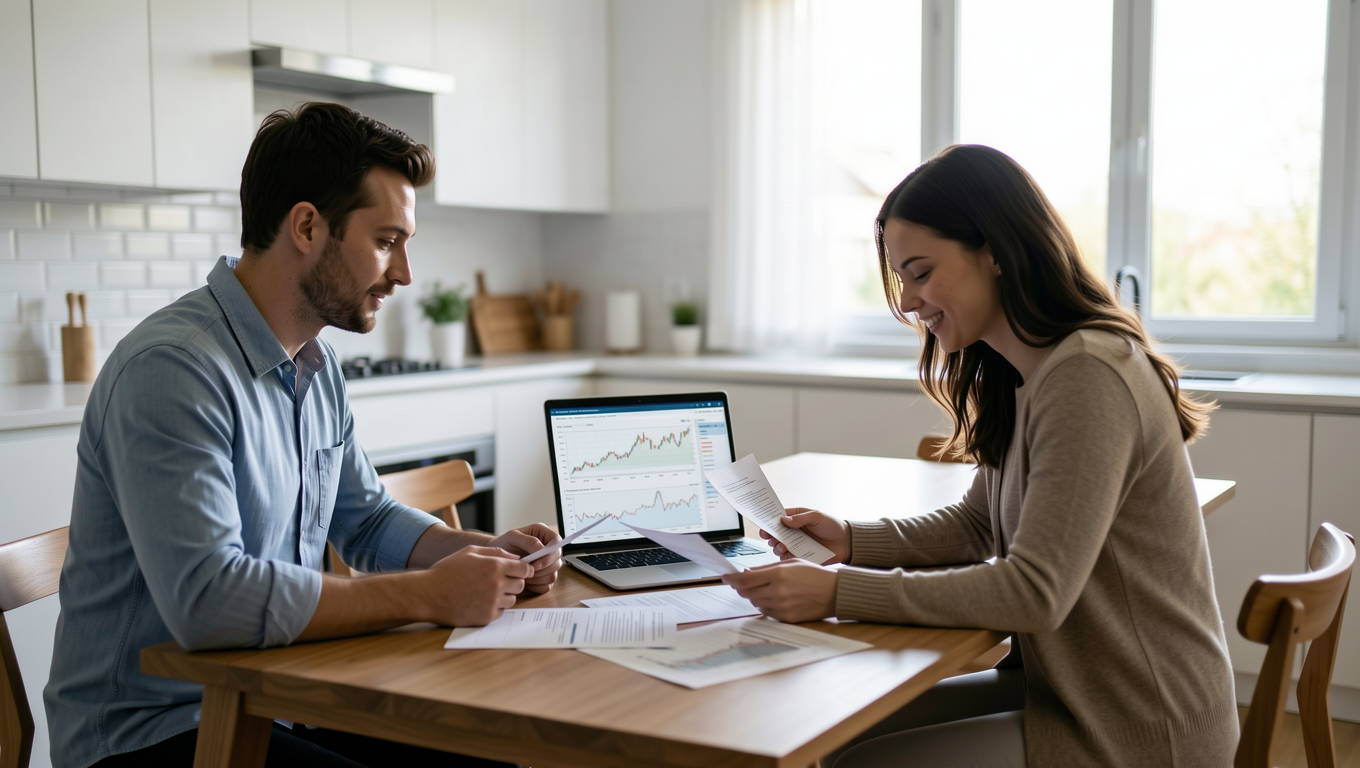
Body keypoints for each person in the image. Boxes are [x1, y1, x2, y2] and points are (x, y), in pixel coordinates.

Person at [44, 102, 562, 768]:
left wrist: (488, 557)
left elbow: (366, 520)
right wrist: (432, 594)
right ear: (308, 226)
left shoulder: (316, 366)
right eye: (386, 241)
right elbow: (209, 602)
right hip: (153, 733)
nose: (404, 273)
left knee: (493, 755)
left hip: (278, 696)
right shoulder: (172, 371)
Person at [722, 144, 1238, 767]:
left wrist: (837, 593)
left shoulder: (1088, 375)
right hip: (1067, 691)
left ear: (995, 252)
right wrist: (851, 540)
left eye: (920, 272)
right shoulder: (1025, 373)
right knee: (834, 734)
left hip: (1141, 725)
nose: (907, 301)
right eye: (902, 279)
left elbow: (1035, 592)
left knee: (859, 761)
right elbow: (976, 525)